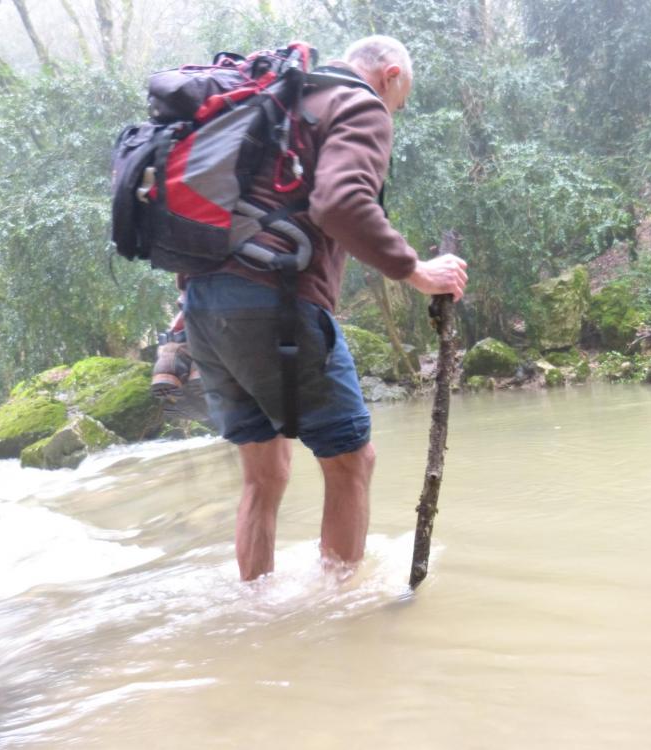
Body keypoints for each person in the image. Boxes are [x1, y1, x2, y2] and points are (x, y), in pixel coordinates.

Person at [181, 35, 468, 581]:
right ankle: (341, 622)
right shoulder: (357, 103)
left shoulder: (277, 102)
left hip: (202, 305)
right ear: (390, 76)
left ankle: (258, 613)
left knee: (263, 477)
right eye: (399, 102)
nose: (393, 114)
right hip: (277, 306)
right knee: (350, 463)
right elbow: (340, 203)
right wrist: (417, 272)